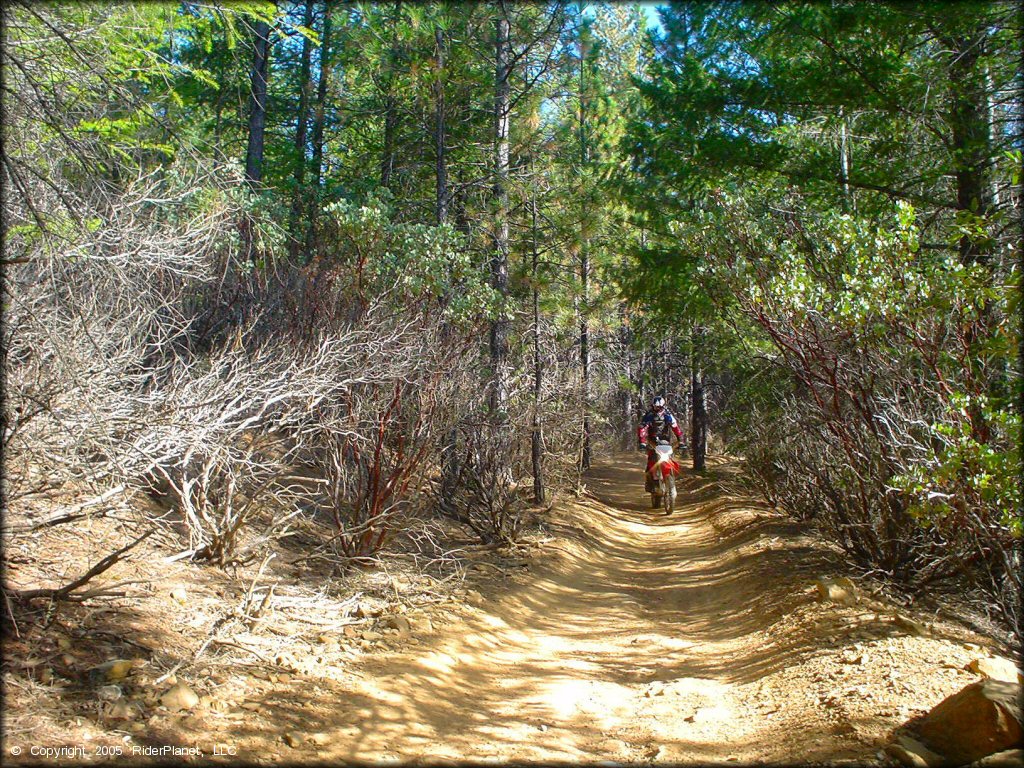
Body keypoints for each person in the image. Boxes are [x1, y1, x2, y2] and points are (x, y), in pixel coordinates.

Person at [637, 395, 684, 492]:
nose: (656, 409)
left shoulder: (667, 414)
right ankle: (650, 482)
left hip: (665, 442)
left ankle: (671, 475)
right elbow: (642, 427)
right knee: (651, 460)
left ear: (662, 406)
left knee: (670, 458)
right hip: (652, 442)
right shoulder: (649, 415)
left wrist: (681, 440)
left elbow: (675, 427)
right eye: (655, 406)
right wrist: (642, 441)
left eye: (658, 407)